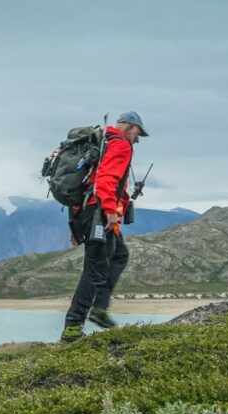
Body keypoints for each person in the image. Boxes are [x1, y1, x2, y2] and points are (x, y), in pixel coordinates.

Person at [61, 111, 149, 343]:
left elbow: (84, 184)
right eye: (138, 133)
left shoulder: (102, 141)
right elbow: (106, 180)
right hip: (99, 214)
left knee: (119, 254)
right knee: (95, 270)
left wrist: (75, 225)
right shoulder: (120, 145)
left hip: (86, 212)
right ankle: (72, 327)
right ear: (130, 127)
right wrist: (110, 210)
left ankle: (99, 309)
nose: (138, 139)